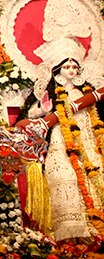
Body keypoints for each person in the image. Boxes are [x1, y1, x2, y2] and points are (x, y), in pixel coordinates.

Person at [16, 37, 104, 243]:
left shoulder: (88, 90)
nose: (71, 70)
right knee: (66, 177)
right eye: (66, 66)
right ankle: (71, 234)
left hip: (89, 137)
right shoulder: (49, 91)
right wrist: (41, 110)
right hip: (60, 140)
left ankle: (96, 229)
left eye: (75, 66)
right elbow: (26, 118)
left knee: (96, 174)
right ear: (57, 70)